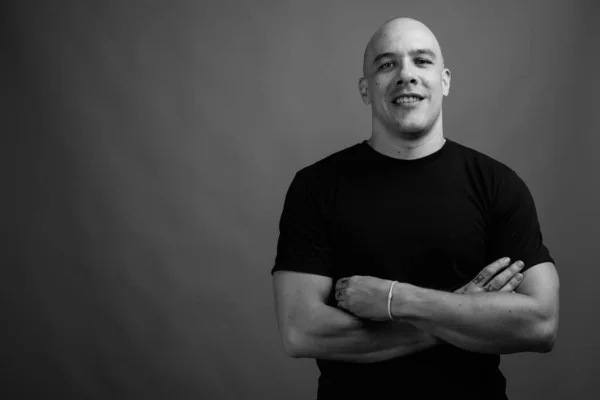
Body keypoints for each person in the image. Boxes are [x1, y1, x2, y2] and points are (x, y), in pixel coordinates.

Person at [271, 17, 559, 400]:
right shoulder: (316, 186)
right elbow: (301, 331)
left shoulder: (498, 184)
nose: (406, 75)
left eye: (421, 61)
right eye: (386, 64)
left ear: (445, 80)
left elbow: (540, 325)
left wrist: (396, 300)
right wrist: (463, 311)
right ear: (365, 88)